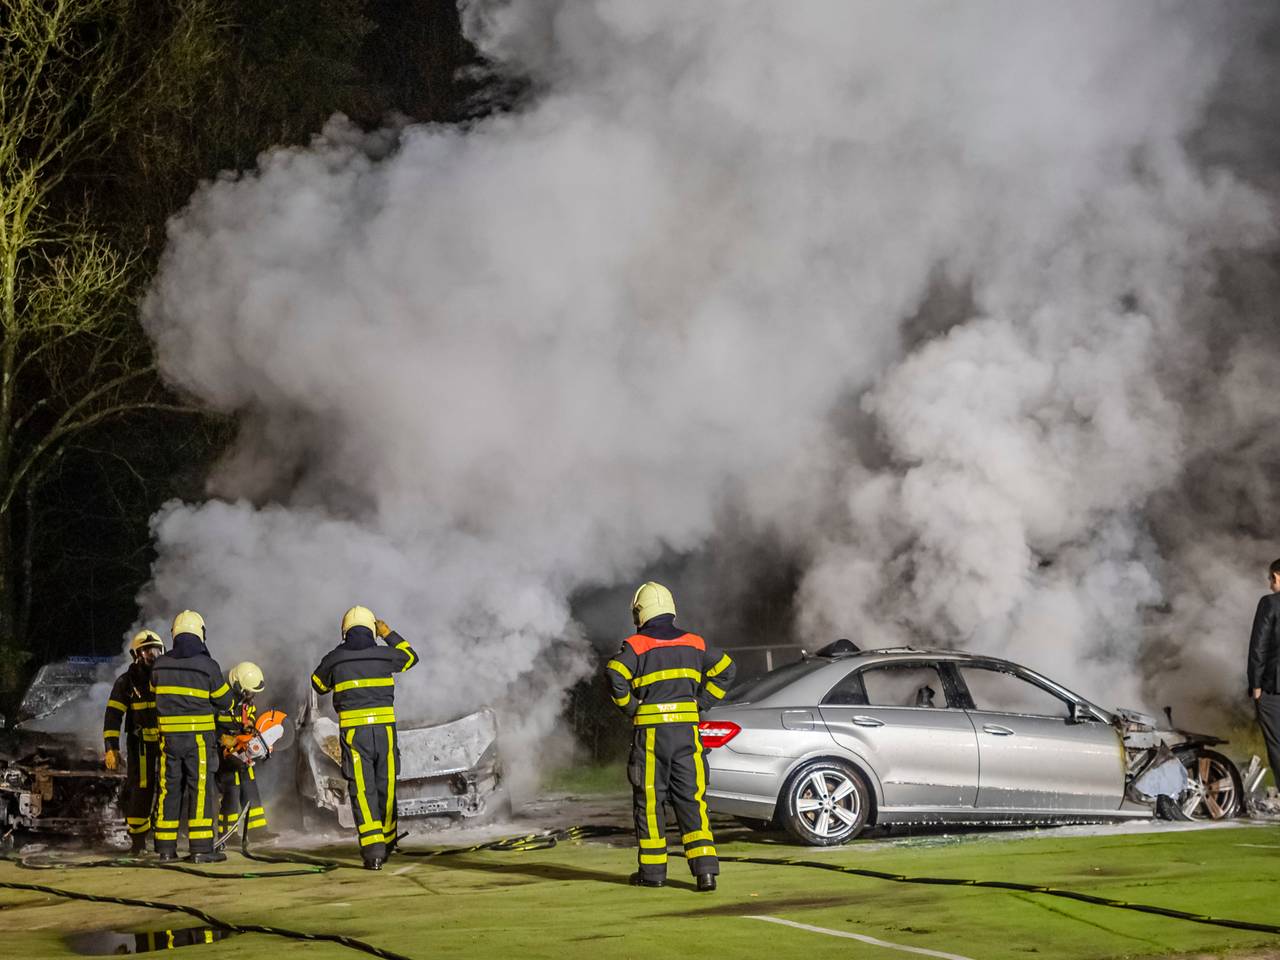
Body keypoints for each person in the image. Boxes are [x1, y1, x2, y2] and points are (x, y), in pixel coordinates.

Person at [604, 581, 736, 892]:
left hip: (651, 740)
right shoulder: (695, 643)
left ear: (640, 612)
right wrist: (701, 703)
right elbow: (727, 669)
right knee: (692, 802)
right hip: (687, 739)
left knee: (650, 804)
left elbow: (614, 673)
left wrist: (632, 708)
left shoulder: (636, 646)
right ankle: (705, 872)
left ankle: (653, 874)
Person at [310, 606, 418, 870]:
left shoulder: (334, 659)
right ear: (372, 629)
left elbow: (318, 684)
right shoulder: (384, 655)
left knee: (362, 790)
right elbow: (411, 657)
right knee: (386, 785)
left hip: (355, 735)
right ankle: (389, 841)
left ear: (345, 632)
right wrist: (388, 634)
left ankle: (373, 852)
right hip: (384, 733)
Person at [151, 610, 234, 863]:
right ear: (201, 634)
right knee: (199, 790)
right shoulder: (207, 666)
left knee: (169, 790)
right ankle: (200, 848)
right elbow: (225, 701)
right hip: (198, 740)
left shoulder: (160, 664)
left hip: (169, 741)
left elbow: (155, 691)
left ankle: (166, 849)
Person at [102, 629, 165, 854]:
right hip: (140, 745)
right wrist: (111, 748)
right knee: (141, 789)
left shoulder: (166, 677)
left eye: (156, 649)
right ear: (136, 654)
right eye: (147, 650)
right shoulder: (127, 682)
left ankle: (164, 839)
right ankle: (138, 841)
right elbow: (113, 716)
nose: (153, 655)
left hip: (166, 744)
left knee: (168, 788)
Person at [216, 661, 270, 840]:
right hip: (221, 749)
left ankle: (257, 831)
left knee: (249, 782)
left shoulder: (244, 696)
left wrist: (250, 731)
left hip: (239, 747)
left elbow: (249, 714)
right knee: (231, 786)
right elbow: (212, 724)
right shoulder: (219, 692)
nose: (251, 695)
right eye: (249, 691)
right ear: (238, 685)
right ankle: (228, 834)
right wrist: (225, 744)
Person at [1248, 558, 1280, 786]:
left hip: (1274, 688)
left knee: (1278, 745)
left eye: (1272, 579)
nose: (1270, 584)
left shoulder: (1270, 603)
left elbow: (1259, 646)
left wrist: (1255, 686)